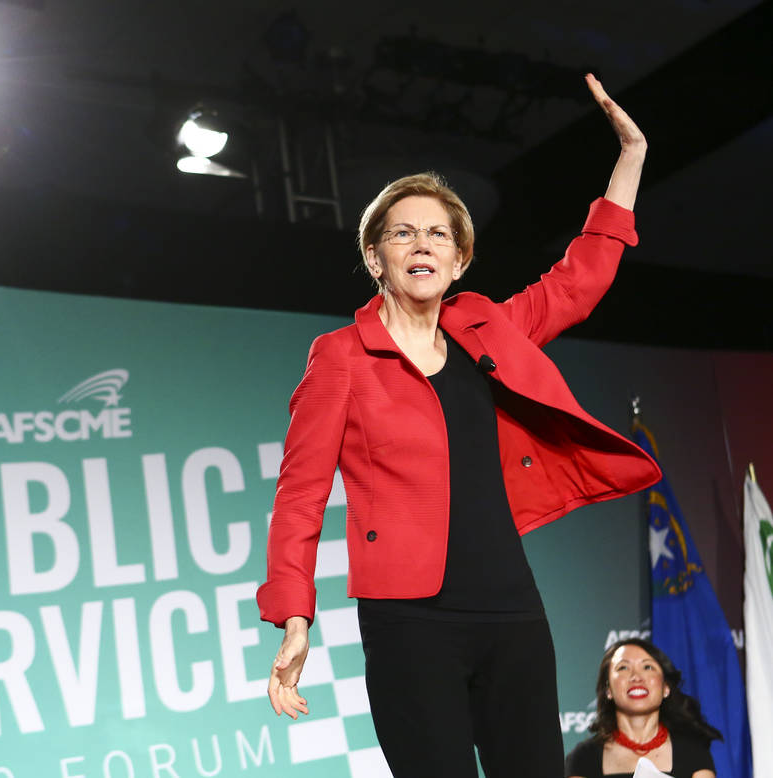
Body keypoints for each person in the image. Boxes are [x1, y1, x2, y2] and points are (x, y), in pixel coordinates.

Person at [255, 74, 662, 778]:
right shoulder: (340, 358)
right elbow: (298, 498)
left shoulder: (487, 328)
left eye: (439, 233)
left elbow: (580, 280)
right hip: (410, 622)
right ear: (375, 257)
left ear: (459, 259)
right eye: (403, 232)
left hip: (510, 609)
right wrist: (295, 617)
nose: (423, 243)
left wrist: (630, 156)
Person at [565, 638, 721, 778]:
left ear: (666, 687)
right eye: (623, 668)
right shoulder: (584, 757)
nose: (636, 677)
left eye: (647, 667)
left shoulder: (693, 752)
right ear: (608, 690)